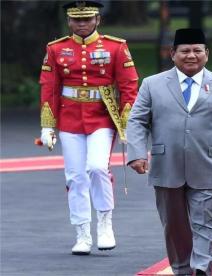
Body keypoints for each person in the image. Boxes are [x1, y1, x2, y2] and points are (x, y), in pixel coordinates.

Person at [126, 28, 212, 276]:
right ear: (172, 54)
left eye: (197, 50)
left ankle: (202, 268)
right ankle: (183, 270)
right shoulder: (152, 84)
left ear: (207, 53)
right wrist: (137, 153)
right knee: (174, 226)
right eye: (185, 51)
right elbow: (137, 121)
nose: (191, 55)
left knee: (207, 223)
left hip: (210, 164)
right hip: (166, 165)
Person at [38, 0, 138, 255]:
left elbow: (129, 86)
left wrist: (127, 123)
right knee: (75, 176)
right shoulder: (56, 48)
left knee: (96, 167)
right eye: (77, 20)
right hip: (70, 117)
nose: (82, 24)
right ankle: (82, 233)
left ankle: (105, 225)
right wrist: (47, 126)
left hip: (102, 116)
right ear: (69, 21)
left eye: (87, 19)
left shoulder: (116, 47)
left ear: (97, 20)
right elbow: (48, 87)